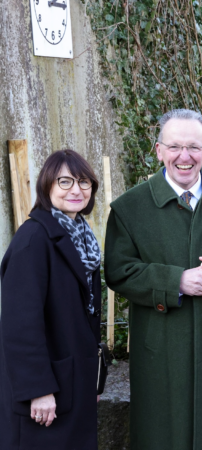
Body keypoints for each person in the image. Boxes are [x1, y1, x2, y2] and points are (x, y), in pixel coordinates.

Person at [104, 109, 202, 450]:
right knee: (161, 435)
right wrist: (175, 281)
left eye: (193, 147)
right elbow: (119, 270)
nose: (184, 156)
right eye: (174, 146)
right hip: (159, 349)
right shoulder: (128, 208)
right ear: (159, 150)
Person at [0, 150, 102, 449]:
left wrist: (92, 379)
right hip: (46, 391)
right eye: (65, 181)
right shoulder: (33, 239)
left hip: (74, 381)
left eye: (84, 182)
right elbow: (20, 324)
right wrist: (38, 389)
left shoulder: (82, 237)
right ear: (47, 186)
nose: (76, 190)